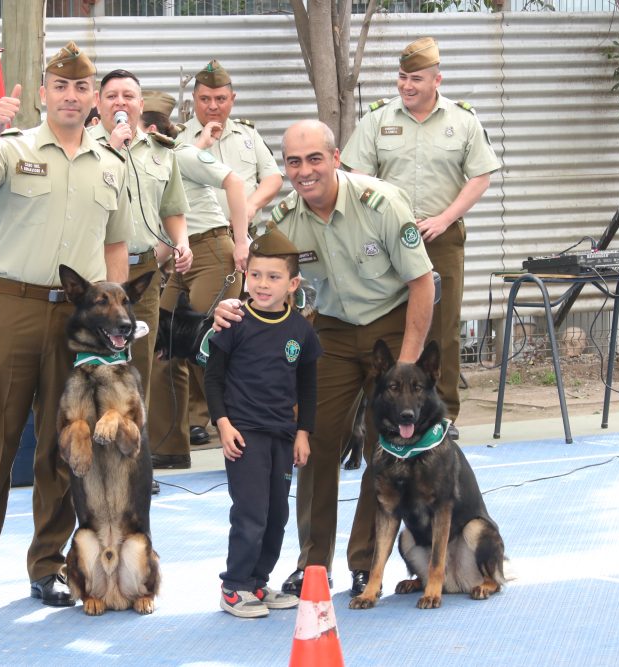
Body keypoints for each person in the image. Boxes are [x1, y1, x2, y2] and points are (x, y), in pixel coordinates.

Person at [214, 120, 435, 599]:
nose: (304, 171)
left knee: (385, 450)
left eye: (315, 159)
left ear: (336, 159)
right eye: (293, 161)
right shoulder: (288, 219)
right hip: (331, 329)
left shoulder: (382, 203)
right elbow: (262, 278)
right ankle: (313, 565)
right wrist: (229, 304)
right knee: (311, 442)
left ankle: (364, 563)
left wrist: (408, 367)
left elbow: (422, 283)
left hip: (389, 325)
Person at [0, 41, 132, 612]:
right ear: (45, 93)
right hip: (14, 309)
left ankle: (48, 565)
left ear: (94, 97)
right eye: (60, 87)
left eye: (81, 88)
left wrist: (117, 327)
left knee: (65, 444)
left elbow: (116, 246)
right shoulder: (12, 147)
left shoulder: (111, 164)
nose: (71, 97)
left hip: (79, 323)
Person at [341, 37, 500, 439]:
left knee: (442, 328)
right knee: (387, 323)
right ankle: (382, 411)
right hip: (387, 239)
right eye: (401, 77)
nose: (406, 86)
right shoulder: (378, 119)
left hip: (440, 236)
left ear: (436, 79)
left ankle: (443, 415)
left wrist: (446, 218)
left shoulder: (462, 120)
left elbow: (480, 176)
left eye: (415, 79)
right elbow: (353, 172)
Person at [204, 228, 321, 619]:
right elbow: (213, 378)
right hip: (245, 434)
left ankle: (257, 581)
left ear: (293, 283)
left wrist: (303, 431)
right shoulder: (234, 322)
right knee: (251, 511)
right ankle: (234, 586)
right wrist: (222, 423)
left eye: (273, 277)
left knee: (276, 514)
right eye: (255, 275)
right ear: (245, 276)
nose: (262, 284)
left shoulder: (300, 330)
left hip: (283, 437)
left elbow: (307, 384)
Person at [178, 58, 284, 445]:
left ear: (232, 99)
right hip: (197, 247)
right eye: (205, 98)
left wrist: (252, 205)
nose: (213, 106)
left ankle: (238, 411)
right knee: (198, 326)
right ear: (194, 100)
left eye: (220, 98)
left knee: (239, 328)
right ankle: (197, 415)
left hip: (246, 247)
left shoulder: (247, 136)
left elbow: (273, 177)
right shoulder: (182, 138)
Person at [142, 90, 248, 470]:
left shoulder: (179, 154)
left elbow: (234, 182)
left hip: (214, 253)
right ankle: (169, 447)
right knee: (162, 350)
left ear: (151, 129)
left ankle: (249, 437)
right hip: (183, 260)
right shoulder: (145, 163)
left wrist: (242, 241)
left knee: (209, 349)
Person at [88, 69, 193, 402]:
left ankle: (132, 448)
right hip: (97, 273)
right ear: (98, 103)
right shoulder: (83, 149)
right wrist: (111, 150)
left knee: (138, 371)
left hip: (143, 276)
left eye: (128, 96)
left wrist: (182, 242)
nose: (120, 102)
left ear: (140, 104)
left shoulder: (161, 152)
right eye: (112, 96)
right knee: (95, 368)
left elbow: (172, 208)